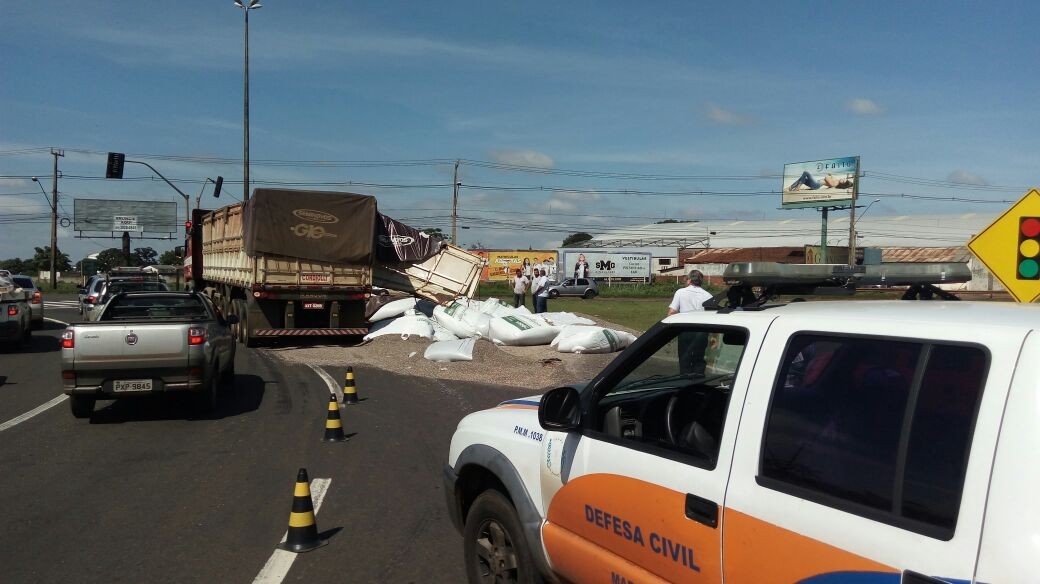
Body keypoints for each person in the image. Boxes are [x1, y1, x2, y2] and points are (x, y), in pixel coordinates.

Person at [668, 270, 714, 377]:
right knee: (699, 359)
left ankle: (684, 381)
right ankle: (698, 381)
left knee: (685, 359)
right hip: (702, 332)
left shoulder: (680, 292)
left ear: (689, 280)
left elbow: (671, 312)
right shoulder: (708, 295)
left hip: (685, 330)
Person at [788, 171, 854, 191]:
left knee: (806, 173)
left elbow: (826, 178)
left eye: (843, 181)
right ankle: (791, 188)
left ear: (842, 184)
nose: (842, 179)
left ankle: (798, 187)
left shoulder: (835, 184)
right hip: (815, 184)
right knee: (802, 179)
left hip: (816, 184)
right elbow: (830, 176)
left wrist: (829, 176)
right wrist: (831, 175)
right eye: (844, 179)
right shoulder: (836, 181)